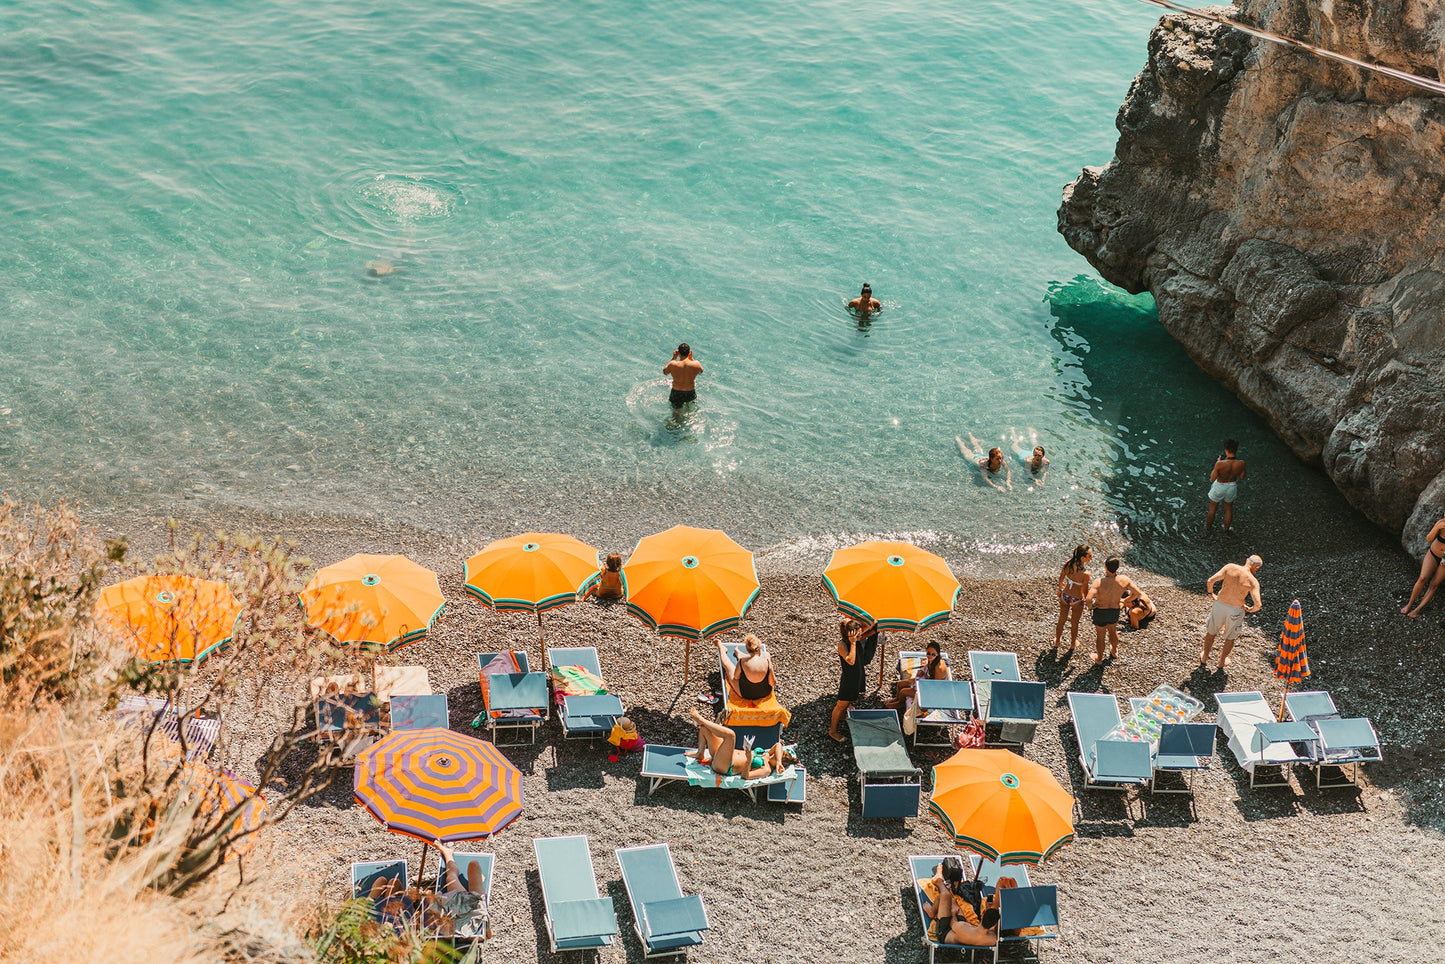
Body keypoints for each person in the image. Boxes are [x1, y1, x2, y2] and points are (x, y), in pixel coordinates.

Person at [686, 706, 795, 777]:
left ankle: (700, 720)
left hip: (725, 766)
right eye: (775, 756)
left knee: (731, 736)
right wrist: (779, 761)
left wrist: (748, 759)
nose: (772, 757)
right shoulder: (767, 755)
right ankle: (700, 753)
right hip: (722, 755)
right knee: (705, 730)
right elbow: (778, 745)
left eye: (775, 759)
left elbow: (745, 776)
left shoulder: (766, 769)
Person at [917, 856, 1000, 947]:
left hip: (945, 932)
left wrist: (954, 911)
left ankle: (938, 884)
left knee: (946, 895)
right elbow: (986, 929)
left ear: (983, 917)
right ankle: (943, 888)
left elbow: (952, 921)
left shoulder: (963, 929)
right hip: (966, 930)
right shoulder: (992, 939)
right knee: (954, 903)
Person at [1199, 554, 1263, 670]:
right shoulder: (1253, 581)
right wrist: (1249, 609)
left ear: (1247, 560)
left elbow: (1210, 580)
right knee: (1230, 637)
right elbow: (1258, 604)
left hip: (1220, 605)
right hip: (1235, 609)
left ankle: (1205, 657)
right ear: (1256, 568)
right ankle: (1222, 661)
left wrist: (1210, 593)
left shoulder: (1230, 567)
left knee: (1211, 631)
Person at [423, 840, 491, 940]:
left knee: (451, 877)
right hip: (474, 904)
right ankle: (478, 881)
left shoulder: (447, 922)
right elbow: (489, 936)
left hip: (458, 902)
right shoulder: (471, 927)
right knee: (474, 865)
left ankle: (448, 854)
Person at [829, 617, 879, 742]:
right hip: (849, 679)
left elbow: (871, 631)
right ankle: (832, 731)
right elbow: (850, 660)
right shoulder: (843, 644)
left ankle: (842, 716)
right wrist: (853, 643)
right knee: (840, 705)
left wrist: (875, 624)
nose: (860, 634)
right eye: (857, 632)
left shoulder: (856, 639)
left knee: (847, 702)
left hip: (857, 676)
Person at [1087, 557, 1140, 664]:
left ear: (1105, 567)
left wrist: (1091, 606)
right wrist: (1125, 601)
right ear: (1117, 568)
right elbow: (1137, 593)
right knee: (1112, 630)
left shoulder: (1098, 582)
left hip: (1101, 611)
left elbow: (1088, 599)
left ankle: (1099, 659)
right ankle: (1114, 651)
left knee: (1100, 636)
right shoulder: (1124, 579)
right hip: (1114, 610)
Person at [884, 639, 950, 709]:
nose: (930, 656)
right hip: (927, 682)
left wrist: (919, 685)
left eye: (933, 654)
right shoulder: (933, 660)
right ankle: (897, 699)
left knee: (903, 692)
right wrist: (922, 671)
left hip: (933, 691)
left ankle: (900, 704)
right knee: (900, 684)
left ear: (938, 654)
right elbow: (928, 667)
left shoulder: (939, 668)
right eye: (928, 653)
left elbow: (936, 687)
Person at [1403, 513, 1445, 617]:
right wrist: (1437, 527)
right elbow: (1429, 539)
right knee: (1422, 578)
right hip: (1432, 554)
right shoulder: (1440, 523)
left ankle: (1417, 610)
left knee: (1434, 585)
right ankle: (1409, 604)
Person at [1053, 545, 1092, 653]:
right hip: (1077, 599)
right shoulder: (1085, 574)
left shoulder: (1068, 564)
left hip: (1065, 595)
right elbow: (1085, 590)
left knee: (1061, 620)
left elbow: (1061, 578)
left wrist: (1060, 590)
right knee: (1074, 623)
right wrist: (1087, 600)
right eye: (1089, 555)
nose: (1091, 557)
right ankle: (1072, 644)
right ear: (1082, 558)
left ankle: (1057, 641)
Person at [1205, 440, 1247, 534]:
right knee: (1228, 509)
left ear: (1226, 450)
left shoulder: (1220, 464)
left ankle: (1208, 528)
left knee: (1212, 508)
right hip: (1232, 487)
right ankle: (1226, 530)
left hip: (1219, 486)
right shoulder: (1242, 463)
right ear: (1236, 450)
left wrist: (1218, 463)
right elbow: (1242, 476)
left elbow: (1212, 478)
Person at [718, 634, 775, 701]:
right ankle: (740, 654)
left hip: (745, 694)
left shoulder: (742, 662)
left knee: (728, 665)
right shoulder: (767, 658)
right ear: (759, 648)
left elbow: (736, 677)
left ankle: (721, 648)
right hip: (765, 693)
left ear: (747, 649)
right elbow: (772, 683)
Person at [663, 343, 703, 408]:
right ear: (689, 352)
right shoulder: (696, 364)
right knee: (690, 410)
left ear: (678, 352)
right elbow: (700, 371)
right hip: (690, 391)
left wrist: (674, 358)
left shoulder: (673, 364)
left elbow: (665, 372)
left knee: (676, 414)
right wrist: (691, 358)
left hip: (676, 392)